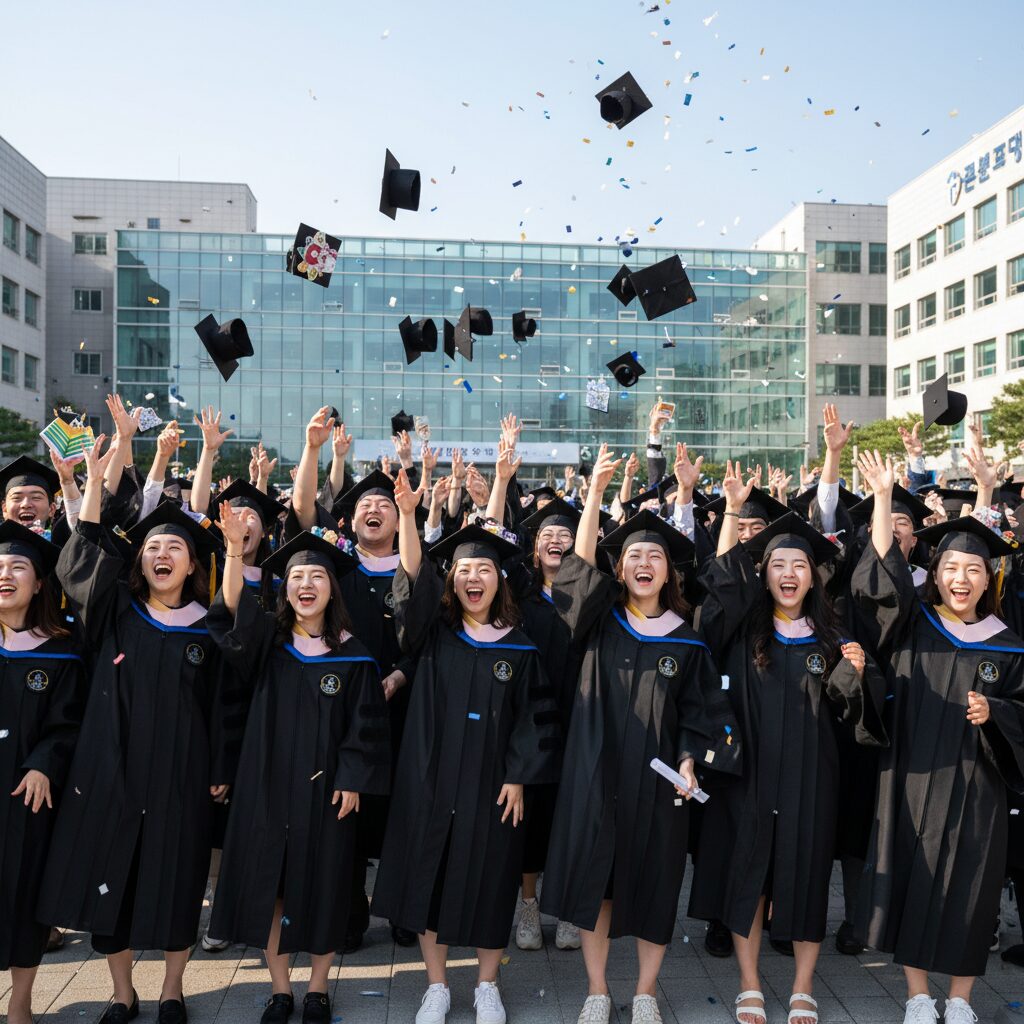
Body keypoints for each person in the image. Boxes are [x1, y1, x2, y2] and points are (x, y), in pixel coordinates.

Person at [540, 444, 742, 1024]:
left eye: (656, 554)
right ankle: (599, 990)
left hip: (657, 783)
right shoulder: (598, 624)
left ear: (669, 570)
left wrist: (690, 762)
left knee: (656, 887)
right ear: (620, 568)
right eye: (634, 554)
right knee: (596, 885)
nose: (645, 562)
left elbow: (704, 713)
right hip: (596, 774)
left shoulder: (688, 639)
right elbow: (574, 577)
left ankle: (647, 991)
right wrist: (595, 497)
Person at [37, 435, 227, 1024]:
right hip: (110, 772)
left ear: (194, 563)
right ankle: (123, 993)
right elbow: (81, 561)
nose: (162, 553)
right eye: (152, 546)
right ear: (140, 560)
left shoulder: (212, 630)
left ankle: (172, 988)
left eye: (175, 546)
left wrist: (221, 769)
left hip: (181, 776)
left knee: (178, 881)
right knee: (108, 880)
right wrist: (90, 481)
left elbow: (226, 706)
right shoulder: (116, 612)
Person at [689, 462, 886, 1024]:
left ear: (814, 576)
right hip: (748, 775)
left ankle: (803, 986)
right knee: (747, 873)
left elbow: (858, 715)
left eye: (800, 564)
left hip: (812, 778)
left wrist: (856, 670)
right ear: (765, 574)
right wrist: (730, 511)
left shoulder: (833, 636)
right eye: (778, 564)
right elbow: (717, 589)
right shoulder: (743, 631)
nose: (790, 572)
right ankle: (750, 981)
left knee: (805, 878)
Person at [371, 470, 561, 1024]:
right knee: (428, 877)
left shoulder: (521, 648)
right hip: (429, 777)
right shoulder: (433, 632)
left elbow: (535, 718)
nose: (472, 578)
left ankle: (485, 984)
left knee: (488, 882)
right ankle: (436, 985)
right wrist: (408, 516)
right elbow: (411, 580)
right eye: (463, 570)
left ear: (501, 580)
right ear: (451, 579)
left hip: (491, 785)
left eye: (484, 570)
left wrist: (519, 774)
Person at [852, 450, 1024, 1024]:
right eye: (952, 567)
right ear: (938, 570)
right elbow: (882, 578)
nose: (961, 578)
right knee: (914, 875)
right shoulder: (912, 624)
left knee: (973, 890)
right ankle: (918, 996)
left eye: (974, 570)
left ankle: (961, 1001)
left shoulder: (1008, 644)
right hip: (914, 774)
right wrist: (882, 499)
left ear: (987, 580)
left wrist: (996, 712)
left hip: (981, 785)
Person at [206, 520, 390, 1024]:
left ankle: (317, 988)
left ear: (333, 589)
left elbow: (366, 727)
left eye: (317, 577)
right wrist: (233, 552)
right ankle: (280, 988)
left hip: (330, 792)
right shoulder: (267, 641)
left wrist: (353, 776)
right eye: (296, 578)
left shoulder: (353, 654)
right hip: (266, 786)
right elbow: (235, 614)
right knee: (275, 888)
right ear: (284, 588)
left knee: (326, 885)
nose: (306, 585)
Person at [292, 407, 419, 950]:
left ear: (397, 519)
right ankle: (349, 912)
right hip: (342, 714)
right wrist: (315, 449)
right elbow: (301, 515)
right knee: (348, 813)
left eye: (384, 506)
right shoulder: (338, 570)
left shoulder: (413, 568)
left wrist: (401, 674)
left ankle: (402, 908)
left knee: (402, 814)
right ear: (350, 519)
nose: (374, 510)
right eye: (365, 504)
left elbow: (430, 635)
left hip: (403, 710)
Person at [0, 522, 84, 1024]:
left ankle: (21, 1001)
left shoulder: (60, 651)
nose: (4, 576)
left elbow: (69, 723)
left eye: (17, 568)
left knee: (23, 892)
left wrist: (43, 765)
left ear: (37, 583)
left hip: (26, 797)